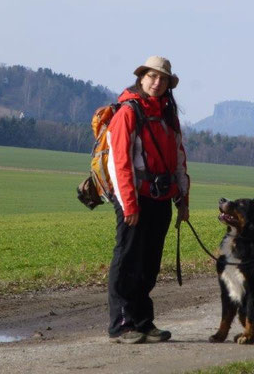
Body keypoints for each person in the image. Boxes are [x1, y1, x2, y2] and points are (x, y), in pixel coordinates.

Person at [106, 56, 190, 344]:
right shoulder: (128, 113)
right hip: (135, 199)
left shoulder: (169, 116)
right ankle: (121, 325)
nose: (156, 82)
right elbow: (120, 164)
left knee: (149, 264)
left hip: (161, 198)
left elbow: (179, 160)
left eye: (162, 79)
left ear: (168, 85)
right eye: (152, 77)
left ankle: (143, 321)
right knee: (127, 261)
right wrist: (129, 204)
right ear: (141, 78)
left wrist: (183, 199)